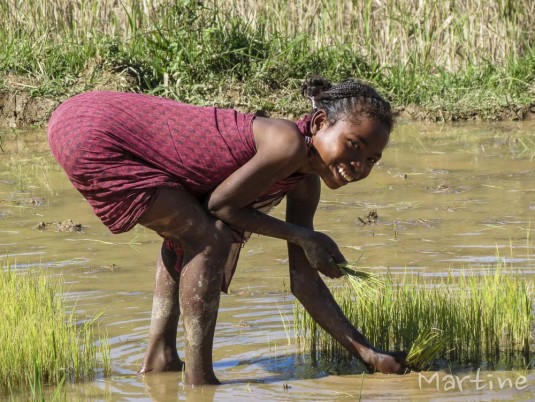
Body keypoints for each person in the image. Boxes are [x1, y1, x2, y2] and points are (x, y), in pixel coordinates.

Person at [48, 75, 407, 386]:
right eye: (353, 145)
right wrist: (302, 236)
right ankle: (200, 381)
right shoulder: (286, 143)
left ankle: (162, 359)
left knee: (189, 234)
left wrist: (369, 355)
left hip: (83, 117)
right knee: (208, 239)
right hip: (94, 129)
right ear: (318, 123)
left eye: (371, 159)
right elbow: (222, 206)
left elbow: (304, 282)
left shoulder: (304, 183)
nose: (359, 165)